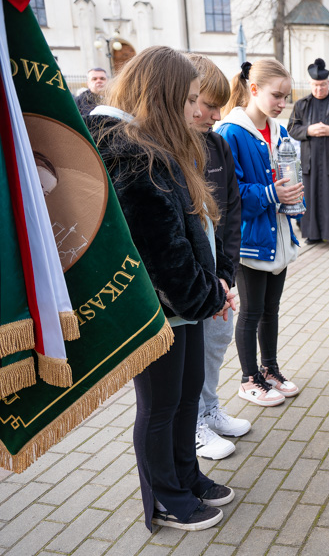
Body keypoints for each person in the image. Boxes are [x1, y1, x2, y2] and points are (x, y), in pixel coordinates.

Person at [86, 46, 237, 531]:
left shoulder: (147, 140)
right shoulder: (127, 148)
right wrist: (210, 295)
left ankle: (186, 476)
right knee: (159, 405)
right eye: (189, 98)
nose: (196, 109)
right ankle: (167, 498)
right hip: (155, 309)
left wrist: (211, 287)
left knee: (186, 393)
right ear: (163, 95)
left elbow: (185, 230)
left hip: (183, 304)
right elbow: (161, 250)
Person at [216, 59, 303, 407]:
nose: (283, 104)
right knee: (250, 312)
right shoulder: (231, 132)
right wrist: (271, 194)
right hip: (249, 240)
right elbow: (227, 194)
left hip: (276, 235)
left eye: (286, 96)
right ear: (253, 89)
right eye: (276, 95)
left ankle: (270, 370)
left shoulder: (278, 131)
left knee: (271, 308)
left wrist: (294, 197)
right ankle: (248, 378)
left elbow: (288, 177)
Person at [186, 54, 251, 460]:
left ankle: (209, 409)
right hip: (187, 282)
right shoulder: (168, 147)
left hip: (217, 275)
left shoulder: (217, 144)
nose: (214, 115)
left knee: (217, 340)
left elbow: (231, 210)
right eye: (208, 105)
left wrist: (225, 273)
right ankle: (191, 422)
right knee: (189, 355)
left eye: (217, 106)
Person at [287, 58, 329, 247]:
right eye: (316, 85)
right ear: (310, 84)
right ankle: (313, 234)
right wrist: (308, 131)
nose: (319, 89)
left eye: (323, 85)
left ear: (328, 83)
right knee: (310, 196)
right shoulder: (301, 105)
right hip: (310, 160)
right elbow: (292, 128)